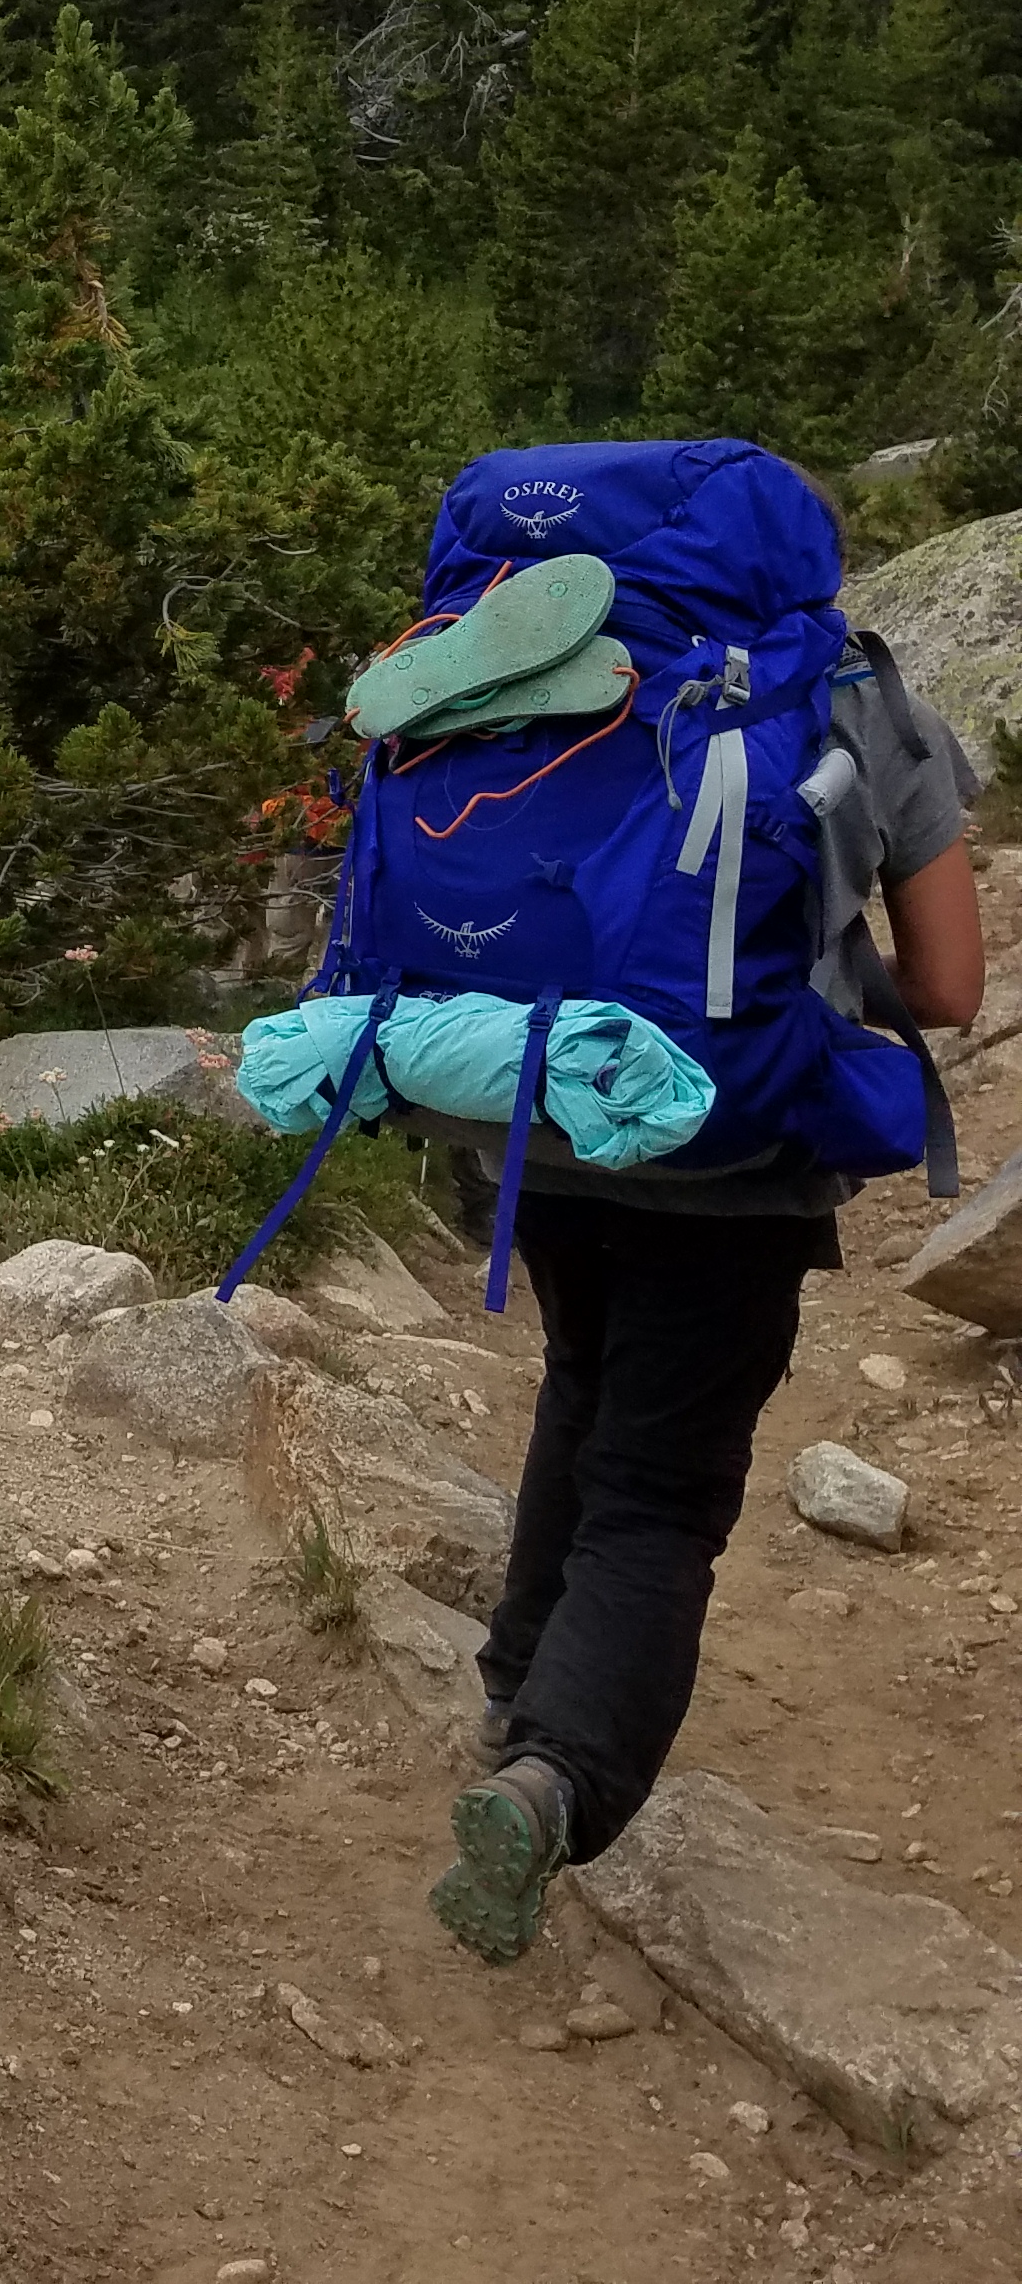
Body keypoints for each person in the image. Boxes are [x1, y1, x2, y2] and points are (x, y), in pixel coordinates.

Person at [427, 638, 986, 1962]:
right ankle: (552, 1775)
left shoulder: (573, 665)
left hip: (539, 1114)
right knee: (661, 1489)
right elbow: (952, 987)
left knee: (585, 1376)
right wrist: (793, 985)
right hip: (730, 1148)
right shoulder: (863, 704)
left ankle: (516, 1679)